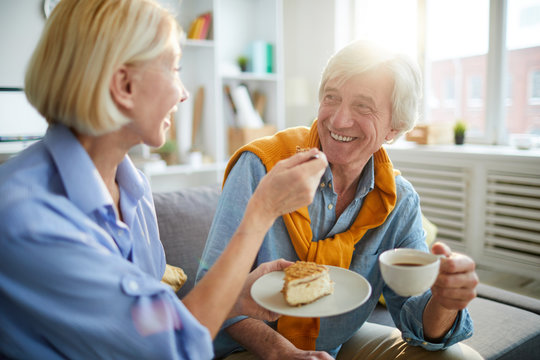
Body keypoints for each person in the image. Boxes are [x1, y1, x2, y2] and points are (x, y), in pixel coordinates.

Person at [0, 0, 328, 359]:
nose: (183, 93)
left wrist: (234, 297)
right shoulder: (26, 218)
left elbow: (148, 323)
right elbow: (166, 349)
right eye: (174, 69)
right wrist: (262, 210)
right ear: (124, 85)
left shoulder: (133, 190)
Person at [196, 40, 481, 359]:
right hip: (248, 347)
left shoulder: (398, 201)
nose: (339, 120)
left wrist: (445, 301)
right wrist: (282, 352)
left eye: (363, 106)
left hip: (335, 344)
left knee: (461, 357)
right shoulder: (262, 166)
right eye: (332, 97)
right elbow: (213, 289)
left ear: (394, 127)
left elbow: (415, 319)